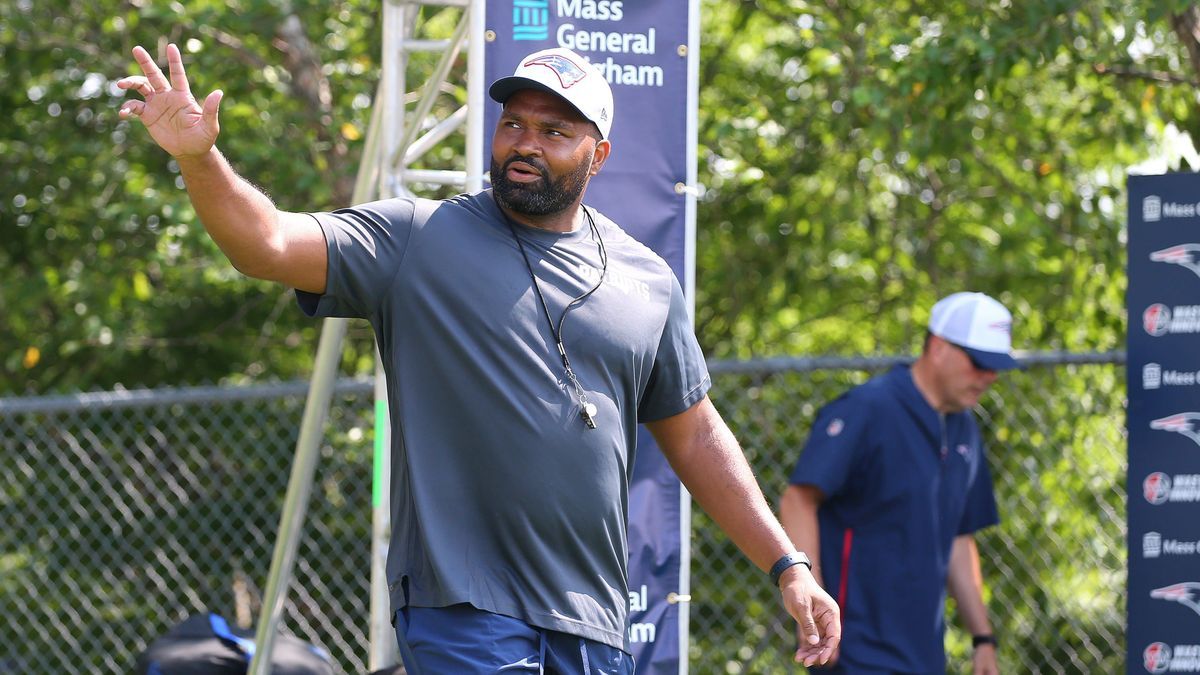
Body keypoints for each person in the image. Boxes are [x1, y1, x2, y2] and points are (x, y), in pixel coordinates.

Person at [117, 43, 840, 672]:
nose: (525, 142)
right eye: (513, 123)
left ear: (600, 155)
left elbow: (697, 433)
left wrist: (788, 565)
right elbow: (266, 243)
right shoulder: (417, 239)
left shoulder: (647, 279)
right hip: (463, 602)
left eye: (554, 131)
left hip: (595, 616)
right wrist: (200, 158)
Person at [780, 292, 1017, 675]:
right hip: (853, 653)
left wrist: (982, 639)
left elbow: (959, 536)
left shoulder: (964, 428)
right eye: (979, 363)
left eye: (996, 367)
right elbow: (798, 500)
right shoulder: (867, 409)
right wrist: (811, 604)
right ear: (938, 347)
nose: (988, 377)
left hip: (925, 658)